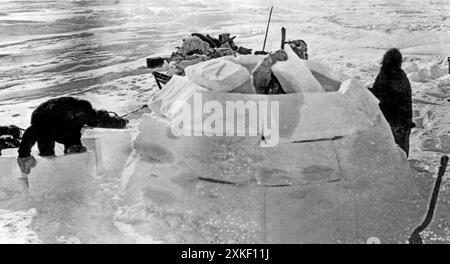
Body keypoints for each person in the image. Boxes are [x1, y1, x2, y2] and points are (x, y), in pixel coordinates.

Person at [16, 97, 128, 174]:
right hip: (47, 120)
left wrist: (120, 122)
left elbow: (101, 120)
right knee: (47, 151)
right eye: (75, 115)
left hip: (68, 123)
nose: (78, 116)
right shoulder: (47, 121)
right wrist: (24, 155)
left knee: (74, 140)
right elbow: (30, 134)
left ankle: (72, 150)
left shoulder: (84, 112)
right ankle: (48, 170)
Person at [371, 48, 415, 156]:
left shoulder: (394, 76)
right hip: (394, 121)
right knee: (395, 152)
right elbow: (378, 92)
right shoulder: (390, 75)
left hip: (396, 122)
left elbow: (387, 97)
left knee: (397, 152)